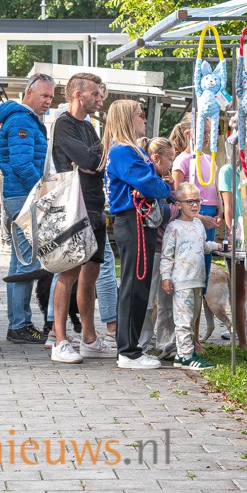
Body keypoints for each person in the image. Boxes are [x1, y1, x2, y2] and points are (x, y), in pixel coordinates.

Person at [47, 72, 114, 364]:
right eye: (95, 94)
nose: (99, 99)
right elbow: (90, 160)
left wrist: (94, 160)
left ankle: (89, 338)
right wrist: (91, 160)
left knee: (92, 272)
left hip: (95, 205)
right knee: (69, 272)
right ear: (78, 94)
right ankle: (60, 340)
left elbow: (100, 162)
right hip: (74, 205)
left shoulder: (88, 127)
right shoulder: (63, 124)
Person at [103, 100, 173, 370]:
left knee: (139, 284)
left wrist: (157, 186)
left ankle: (131, 348)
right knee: (134, 284)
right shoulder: (123, 151)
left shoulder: (131, 150)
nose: (144, 119)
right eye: (139, 115)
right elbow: (149, 184)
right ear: (126, 119)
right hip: (133, 220)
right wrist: (163, 188)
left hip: (139, 220)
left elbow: (150, 183)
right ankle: (128, 351)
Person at [0, 72, 56, 345]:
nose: (48, 101)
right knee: (26, 262)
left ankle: (17, 323)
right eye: (44, 95)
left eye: (51, 97)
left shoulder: (24, 119)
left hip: (19, 195)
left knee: (19, 261)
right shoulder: (22, 120)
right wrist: (42, 190)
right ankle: (20, 325)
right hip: (24, 196)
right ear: (28, 93)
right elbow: (21, 164)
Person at [170, 116, 223, 353]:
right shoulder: (182, 161)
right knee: (190, 278)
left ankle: (196, 336)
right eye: (205, 132)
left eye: (210, 132)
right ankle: (186, 335)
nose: (209, 137)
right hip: (194, 220)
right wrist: (199, 216)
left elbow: (214, 190)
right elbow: (177, 195)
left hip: (209, 218)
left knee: (202, 279)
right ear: (190, 134)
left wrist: (220, 210)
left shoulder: (208, 160)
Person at [160, 181, 222, 370]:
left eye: (197, 201)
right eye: (189, 202)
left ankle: (186, 353)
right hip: (182, 281)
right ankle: (185, 357)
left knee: (193, 318)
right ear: (178, 205)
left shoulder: (199, 225)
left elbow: (203, 246)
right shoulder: (174, 227)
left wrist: (218, 246)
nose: (195, 205)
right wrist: (165, 276)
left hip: (197, 280)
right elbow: (167, 255)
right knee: (184, 320)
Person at [138, 137, 179, 358]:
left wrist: (171, 191)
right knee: (147, 300)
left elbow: (175, 204)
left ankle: (167, 344)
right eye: (170, 159)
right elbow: (163, 213)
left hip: (167, 249)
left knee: (167, 299)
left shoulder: (165, 182)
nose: (172, 164)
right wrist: (174, 209)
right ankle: (142, 343)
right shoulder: (147, 180)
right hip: (152, 248)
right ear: (156, 158)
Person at [218, 117, 247, 351]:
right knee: (240, 288)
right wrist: (233, 233)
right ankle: (242, 339)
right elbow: (228, 208)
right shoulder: (228, 171)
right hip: (239, 235)